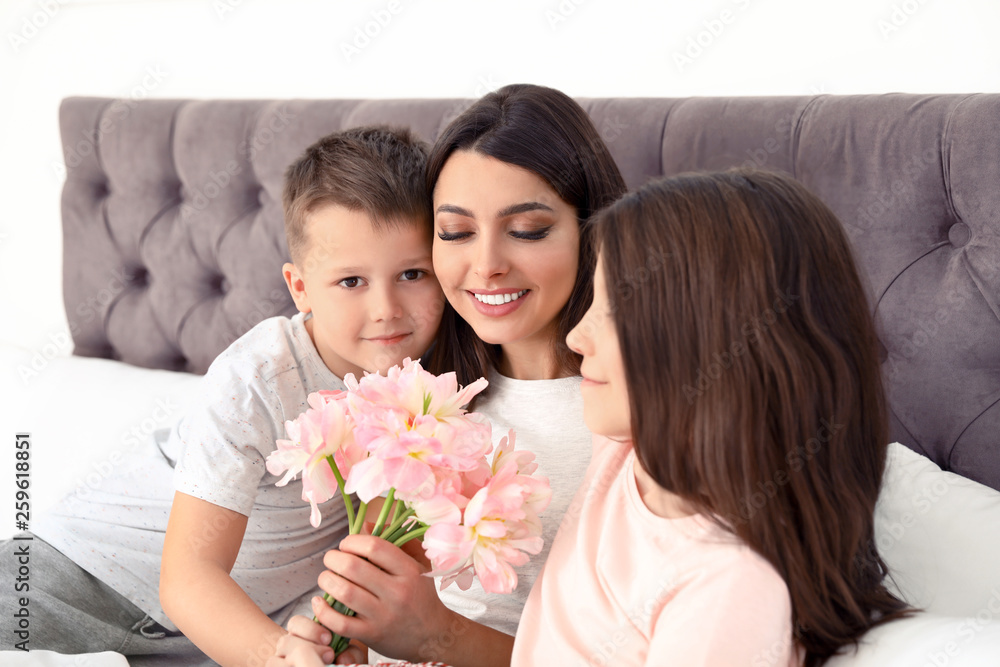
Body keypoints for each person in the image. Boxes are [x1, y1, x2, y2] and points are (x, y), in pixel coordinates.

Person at [0, 125, 443, 666]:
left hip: (218, 634)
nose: (386, 309)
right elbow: (189, 577)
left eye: (413, 273)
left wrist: (326, 636)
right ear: (299, 287)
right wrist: (280, 654)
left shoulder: (435, 385)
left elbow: (382, 538)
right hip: (79, 573)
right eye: (351, 281)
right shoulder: (258, 378)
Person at [270, 84, 627, 667]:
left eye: (529, 230)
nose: (485, 265)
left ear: (593, 229)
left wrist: (439, 636)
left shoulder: (629, 412)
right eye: (456, 233)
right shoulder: (424, 399)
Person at [512, 170, 912, 665]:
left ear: (710, 346)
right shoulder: (626, 453)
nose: (575, 337)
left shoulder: (728, 586)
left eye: (614, 309)